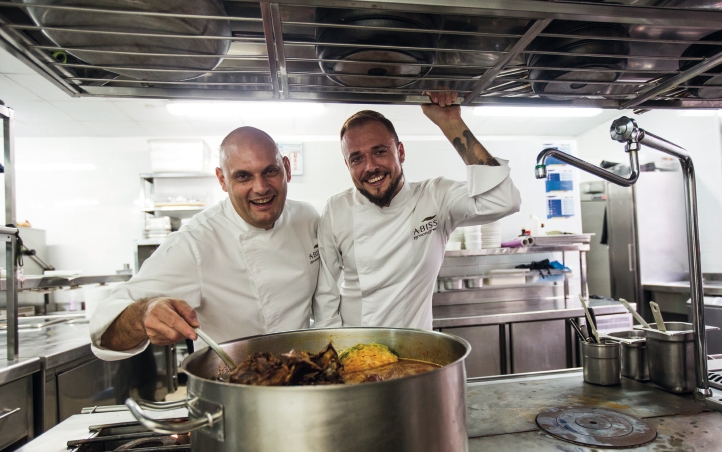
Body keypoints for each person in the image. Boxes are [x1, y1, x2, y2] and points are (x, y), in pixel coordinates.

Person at [91, 126, 333, 360]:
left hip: (302, 375)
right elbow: (105, 329)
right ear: (222, 180)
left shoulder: (306, 217)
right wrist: (142, 315)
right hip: (231, 384)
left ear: (287, 169)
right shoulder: (195, 243)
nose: (260, 188)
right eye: (243, 176)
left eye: (270, 171)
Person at [312, 91, 522, 330]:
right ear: (347, 165)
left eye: (380, 151)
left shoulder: (435, 197)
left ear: (400, 152)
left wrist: (450, 122)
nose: (370, 167)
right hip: (354, 349)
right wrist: (334, 351)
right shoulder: (336, 208)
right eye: (357, 159)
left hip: (415, 352)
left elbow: (505, 200)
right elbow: (325, 294)